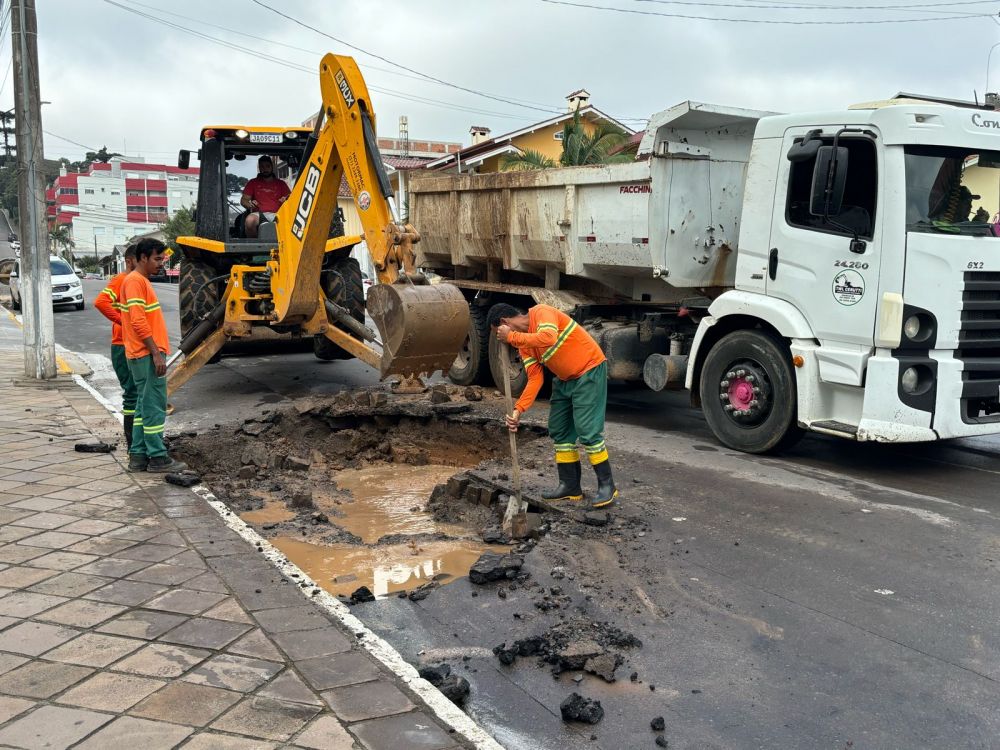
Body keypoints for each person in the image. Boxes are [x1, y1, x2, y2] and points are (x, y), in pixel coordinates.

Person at [490, 303, 617, 509]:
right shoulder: (524, 345)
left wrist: (511, 337)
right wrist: (518, 410)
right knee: (559, 429)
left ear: (505, 322)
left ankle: (607, 485)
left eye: (500, 332)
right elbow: (535, 379)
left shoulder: (541, 312)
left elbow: (548, 337)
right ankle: (570, 485)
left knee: (587, 431)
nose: (505, 338)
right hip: (565, 379)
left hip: (588, 371)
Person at [120, 238, 187, 473]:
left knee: (142, 407)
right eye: (157, 259)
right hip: (146, 355)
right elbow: (138, 321)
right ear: (142, 258)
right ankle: (158, 457)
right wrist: (156, 354)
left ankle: (138, 456)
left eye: (163, 259)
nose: (161, 264)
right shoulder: (136, 282)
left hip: (140, 354)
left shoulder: (137, 281)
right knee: (154, 407)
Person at [93, 245, 139, 449]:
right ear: (130, 261)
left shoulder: (135, 281)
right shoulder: (122, 280)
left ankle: (137, 444)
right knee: (131, 395)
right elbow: (101, 302)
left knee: (136, 395)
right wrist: (124, 321)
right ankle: (133, 446)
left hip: (130, 344)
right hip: (123, 346)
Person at [241, 155, 290, 238]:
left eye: (267, 166)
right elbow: (244, 200)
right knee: (249, 221)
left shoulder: (281, 183)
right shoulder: (252, 183)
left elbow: (290, 198)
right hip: (259, 214)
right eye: (262, 167)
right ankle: (255, 246)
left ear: (272, 167)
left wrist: (286, 200)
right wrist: (250, 204)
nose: (265, 169)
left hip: (278, 214)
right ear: (259, 168)